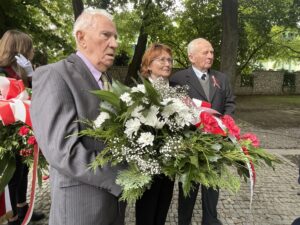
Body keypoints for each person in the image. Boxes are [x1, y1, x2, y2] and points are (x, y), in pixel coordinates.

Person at [30, 8, 126, 225]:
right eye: (106, 35)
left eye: (116, 37)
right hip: (80, 209)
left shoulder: (110, 82)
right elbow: (63, 152)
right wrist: (121, 176)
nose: (115, 43)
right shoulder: (54, 75)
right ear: (81, 38)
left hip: (113, 207)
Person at [169, 38, 236, 225]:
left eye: (212, 52)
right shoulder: (178, 79)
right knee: (188, 189)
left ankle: (210, 220)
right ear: (191, 57)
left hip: (216, 144)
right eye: (205, 52)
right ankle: (184, 221)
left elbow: (230, 103)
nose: (210, 56)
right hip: (189, 146)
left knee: (212, 188)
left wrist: (224, 124)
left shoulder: (221, 78)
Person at [0, 30, 45, 225]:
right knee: (13, 174)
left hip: (22, 129)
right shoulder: (2, 72)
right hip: (8, 131)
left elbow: (37, 93)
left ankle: (23, 207)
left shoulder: (19, 70)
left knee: (24, 171)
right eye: (28, 48)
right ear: (19, 49)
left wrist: (31, 74)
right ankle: (14, 218)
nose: (31, 51)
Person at [135, 43, 175, 225]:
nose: (167, 64)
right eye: (162, 60)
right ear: (148, 65)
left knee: (162, 210)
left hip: (170, 164)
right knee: (146, 212)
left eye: (169, 60)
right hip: (147, 165)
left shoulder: (175, 91)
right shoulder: (138, 92)